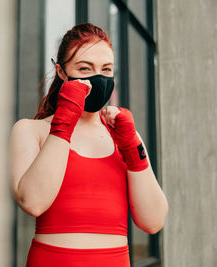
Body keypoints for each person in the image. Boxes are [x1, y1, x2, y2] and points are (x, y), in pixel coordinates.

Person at [9, 23, 169, 266]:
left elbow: (154, 221)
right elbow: (33, 202)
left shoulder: (124, 135)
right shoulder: (31, 130)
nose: (98, 78)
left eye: (106, 69)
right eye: (85, 68)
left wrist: (132, 149)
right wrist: (64, 121)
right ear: (61, 72)